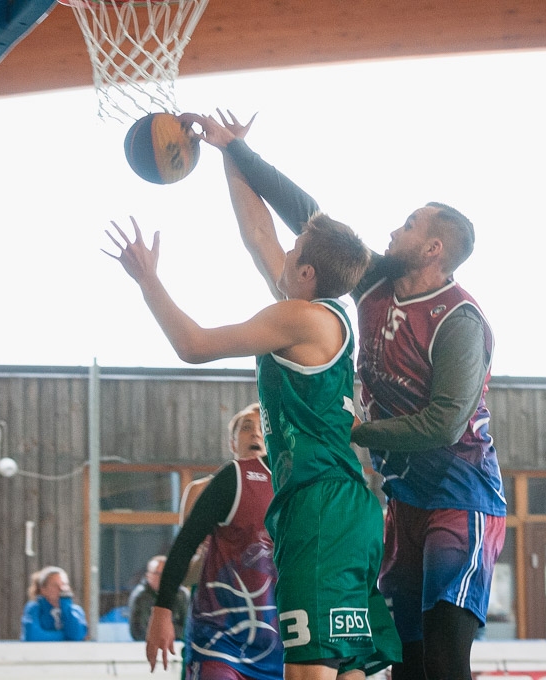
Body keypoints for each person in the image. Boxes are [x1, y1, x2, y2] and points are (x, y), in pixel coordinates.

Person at [186, 110, 505, 680]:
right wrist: (237, 153)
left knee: (444, 652)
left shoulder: (460, 318)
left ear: (433, 248)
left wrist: (348, 430)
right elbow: (310, 219)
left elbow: (444, 424)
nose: (394, 230)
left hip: (463, 492)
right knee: (404, 658)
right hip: (401, 492)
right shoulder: (376, 280)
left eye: (409, 224)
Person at [103, 180, 400, 676]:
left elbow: (193, 345)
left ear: (305, 273)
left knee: (309, 669)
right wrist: (231, 152)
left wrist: (147, 279)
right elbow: (258, 237)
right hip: (350, 507)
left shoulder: (300, 319)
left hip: (318, 507)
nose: (281, 252)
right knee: (350, 667)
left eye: (295, 249)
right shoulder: (322, 314)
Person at [145, 403, 283, 679]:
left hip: (272, 636)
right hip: (218, 632)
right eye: (246, 428)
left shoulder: (286, 486)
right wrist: (163, 609)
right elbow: (184, 552)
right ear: (232, 442)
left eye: (260, 428)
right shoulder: (207, 487)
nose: (255, 434)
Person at [129, 555, 189, 642]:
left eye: (165, 574)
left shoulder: (181, 594)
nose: (161, 578)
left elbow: (187, 628)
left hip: (177, 645)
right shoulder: (140, 597)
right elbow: (141, 632)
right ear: (148, 575)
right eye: (157, 573)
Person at [20, 565, 88, 641]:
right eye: (55, 585)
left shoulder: (76, 610)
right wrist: (65, 636)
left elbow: (77, 636)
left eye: (64, 584)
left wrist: (66, 607)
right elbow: (33, 636)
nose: (61, 589)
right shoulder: (34, 608)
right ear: (43, 589)